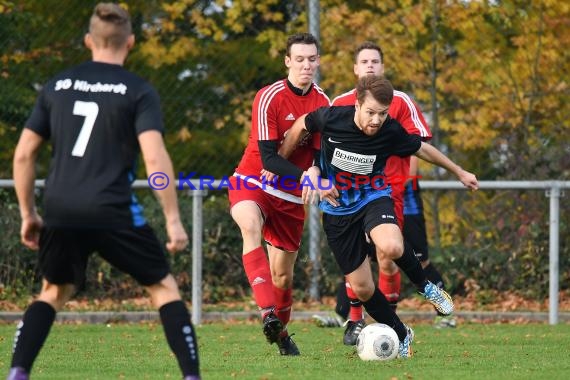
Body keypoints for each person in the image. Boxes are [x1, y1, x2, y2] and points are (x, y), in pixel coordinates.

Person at [7, 4, 200, 380]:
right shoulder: (138, 90)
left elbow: (24, 154)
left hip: (61, 209)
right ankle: (191, 376)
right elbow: (155, 160)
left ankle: (18, 372)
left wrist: (29, 213)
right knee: (163, 287)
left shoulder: (57, 86)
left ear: (87, 41)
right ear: (130, 42)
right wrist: (173, 219)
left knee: (53, 290)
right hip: (113, 209)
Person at [277, 75, 478, 357]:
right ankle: (401, 332)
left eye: (382, 114)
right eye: (370, 112)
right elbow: (301, 125)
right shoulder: (332, 117)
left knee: (392, 246)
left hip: (373, 196)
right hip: (337, 210)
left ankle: (427, 287)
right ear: (357, 104)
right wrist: (283, 161)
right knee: (362, 287)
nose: (376, 120)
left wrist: (459, 172)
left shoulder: (390, 130)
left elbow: (422, 148)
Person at [319, 41, 454, 345]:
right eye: (364, 61)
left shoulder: (401, 101)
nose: (369, 65)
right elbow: (317, 139)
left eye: (375, 61)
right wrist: (312, 172)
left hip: (388, 190)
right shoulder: (338, 104)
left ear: (383, 67)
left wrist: (424, 179)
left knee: (389, 254)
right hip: (344, 197)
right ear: (355, 69)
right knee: (360, 268)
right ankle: (357, 321)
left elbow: (418, 145)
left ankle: (394, 317)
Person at [227, 33, 330, 356]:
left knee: (283, 278)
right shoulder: (268, 97)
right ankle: (267, 313)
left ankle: (281, 335)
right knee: (250, 227)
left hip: (290, 195)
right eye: (299, 59)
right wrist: (307, 175)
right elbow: (269, 158)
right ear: (287, 61)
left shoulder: (322, 103)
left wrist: (316, 171)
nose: (306, 65)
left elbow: (318, 154)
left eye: (311, 59)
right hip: (252, 180)